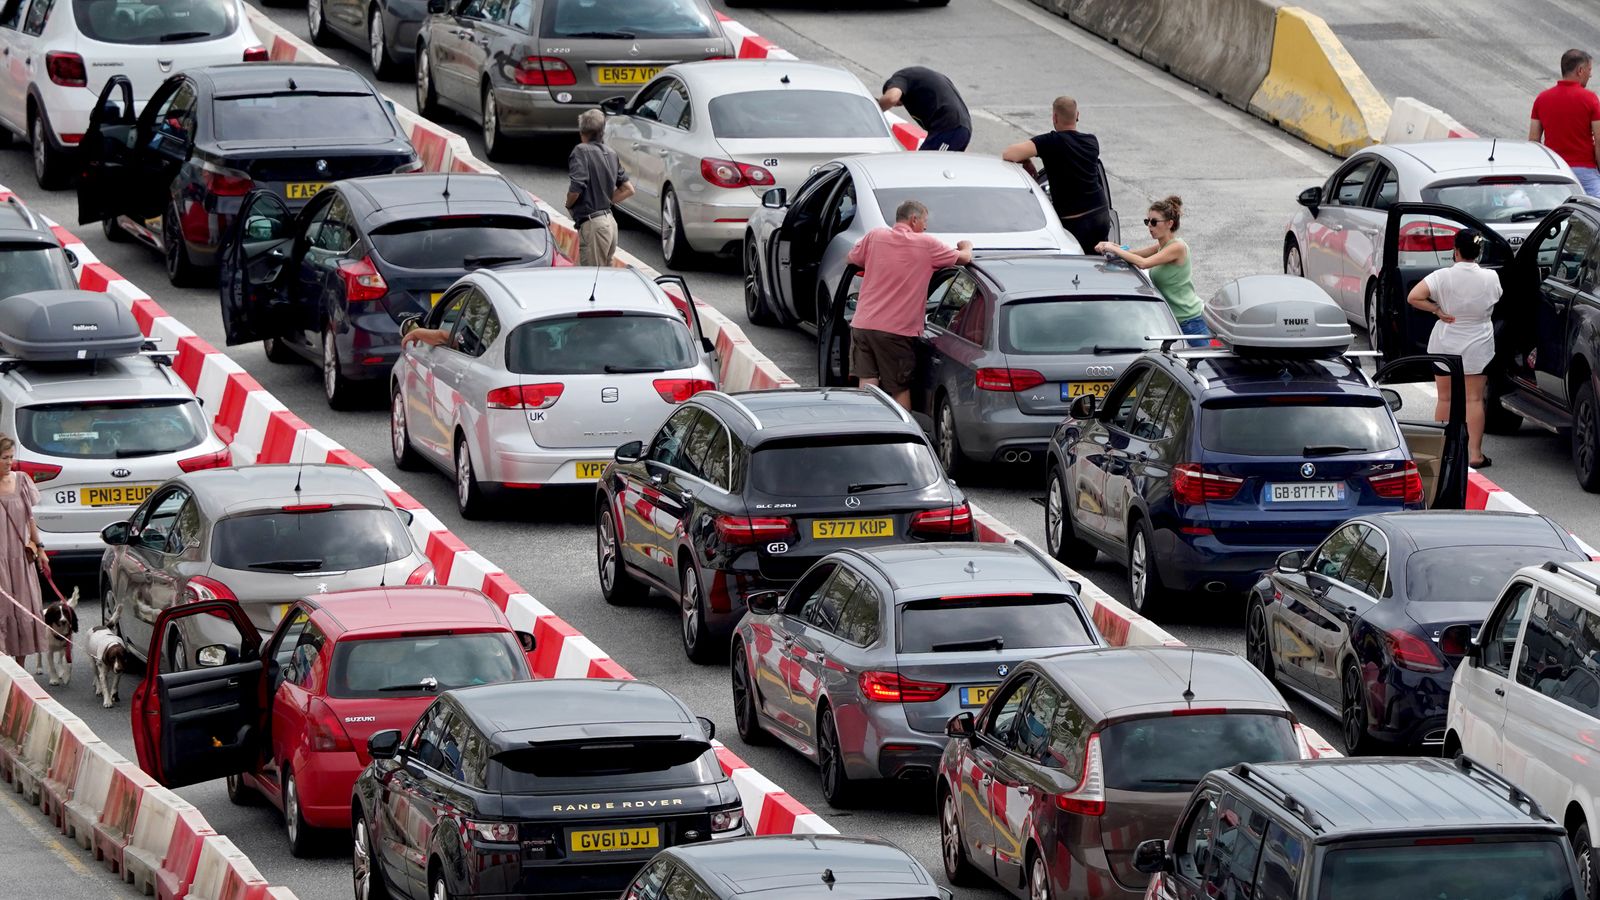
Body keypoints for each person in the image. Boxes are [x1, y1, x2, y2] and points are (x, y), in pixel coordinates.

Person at [846, 200, 973, 409]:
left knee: (867, 384)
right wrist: (966, 246)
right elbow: (965, 258)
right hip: (896, 332)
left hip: (863, 325)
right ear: (914, 220)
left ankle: (869, 429)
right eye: (924, 221)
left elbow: (851, 259)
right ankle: (902, 435)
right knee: (899, 388)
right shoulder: (926, 245)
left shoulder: (875, 236)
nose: (926, 227)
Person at [1407, 228, 1501, 469]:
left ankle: (1442, 451)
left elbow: (1413, 297)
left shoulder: (1441, 276)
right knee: (1474, 399)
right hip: (1478, 343)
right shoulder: (1491, 277)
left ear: (1455, 251)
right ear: (1479, 252)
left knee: (1445, 398)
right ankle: (1475, 454)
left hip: (1446, 341)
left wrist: (1436, 310)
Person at [1001, 96, 1110, 250]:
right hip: (1100, 213)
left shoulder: (1050, 142)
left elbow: (1009, 154)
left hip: (1073, 220)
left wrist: (1026, 160)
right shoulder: (1092, 141)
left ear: (1054, 117)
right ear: (1077, 115)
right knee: (1099, 261)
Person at [1095, 196, 1205, 345]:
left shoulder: (1177, 247)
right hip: (1174, 321)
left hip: (1191, 322)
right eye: (1148, 222)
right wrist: (1110, 245)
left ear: (1169, 223)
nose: (1150, 226)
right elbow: (1134, 254)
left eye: (1154, 222)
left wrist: (1111, 248)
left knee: (1202, 367)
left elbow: (1143, 263)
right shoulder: (1161, 247)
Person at [565, 108, 634, 266]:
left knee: (591, 279)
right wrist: (604, 201)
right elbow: (628, 189)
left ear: (582, 131)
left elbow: (576, 188)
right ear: (602, 132)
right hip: (610, 223)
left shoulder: (580, 151)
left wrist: (569, 204)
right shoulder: (610, 153)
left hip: (594, 225)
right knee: (603, 277)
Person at [1530, 49, 1600, 198]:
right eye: (1589, 70)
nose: (1591, 74)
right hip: (1585, 172)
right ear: (1580, 71)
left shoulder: (1542, 99)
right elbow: (1599, 141)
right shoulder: (1591, 99)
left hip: (1555, 171)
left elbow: (1534, 141)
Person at [0, 435, 44, 665]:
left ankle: (20, 671)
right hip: (0, 562)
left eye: (11, 457)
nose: (10, 462)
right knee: (3, 612)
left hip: (20, 558)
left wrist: (41, 548)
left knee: (24, 612)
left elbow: (29, 518)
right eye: (4, 458)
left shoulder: (22, 481)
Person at [879, 67, 972, 152]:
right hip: (961, 127)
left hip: (949, 128)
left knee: (924, 164)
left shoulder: (900, 78)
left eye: (897, 104)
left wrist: (874, 110)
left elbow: (891, 98)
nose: (898, 105)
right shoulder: (916, 78)